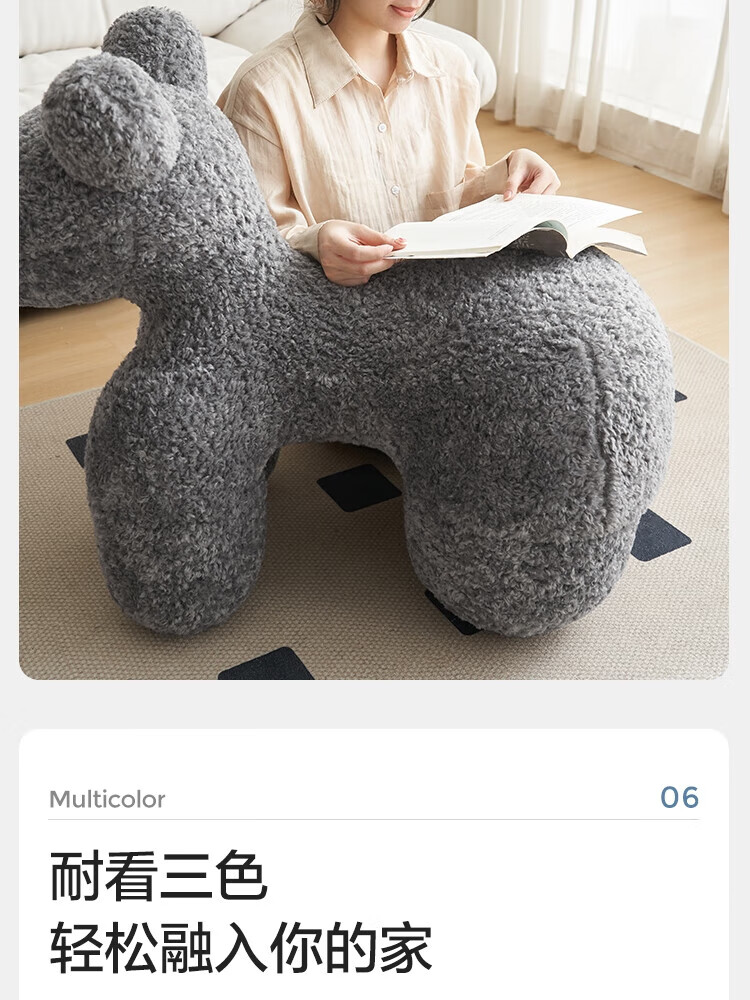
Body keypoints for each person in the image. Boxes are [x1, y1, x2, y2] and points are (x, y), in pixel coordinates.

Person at [218, 1, 560, 285]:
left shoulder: (450, 68)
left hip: (450, 303)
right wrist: (315, 244)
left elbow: (450, 196)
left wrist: (504, 177)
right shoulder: (263, 89)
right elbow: (246, 246)